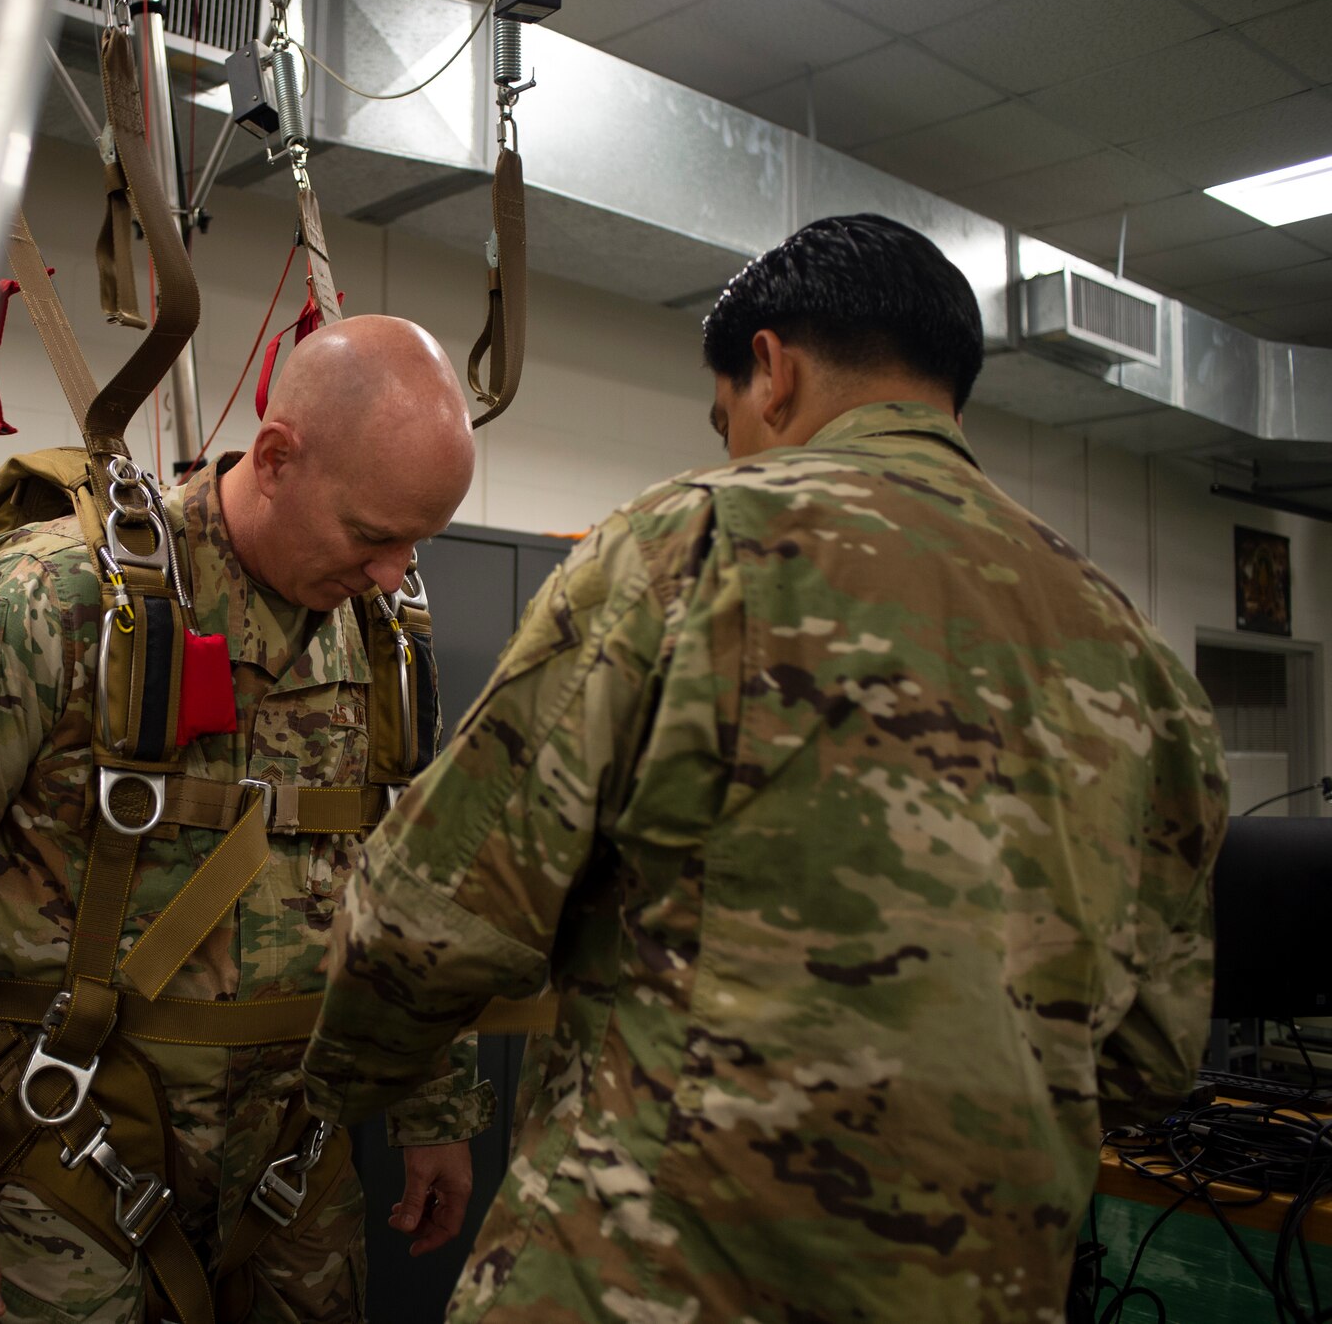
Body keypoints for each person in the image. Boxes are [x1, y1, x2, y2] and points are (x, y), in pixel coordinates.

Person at [301, 214, 1227, 1323]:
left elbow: (421, 918)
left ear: (770, 370)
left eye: (724, 415)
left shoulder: (689, 549)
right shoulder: (1133, 656)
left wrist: (341, 1090)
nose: (733, 444)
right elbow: (1153, 1049)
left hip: (646, 1280)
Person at [0, 313, 492, 1324]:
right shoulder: (53, 597)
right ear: (276, 457)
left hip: (294, 1177)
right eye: (372, 533)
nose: (391, 572)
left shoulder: (380, 640)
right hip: (64, 1172)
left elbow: (406, 880)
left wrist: (433, 1106)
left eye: (415, 541)